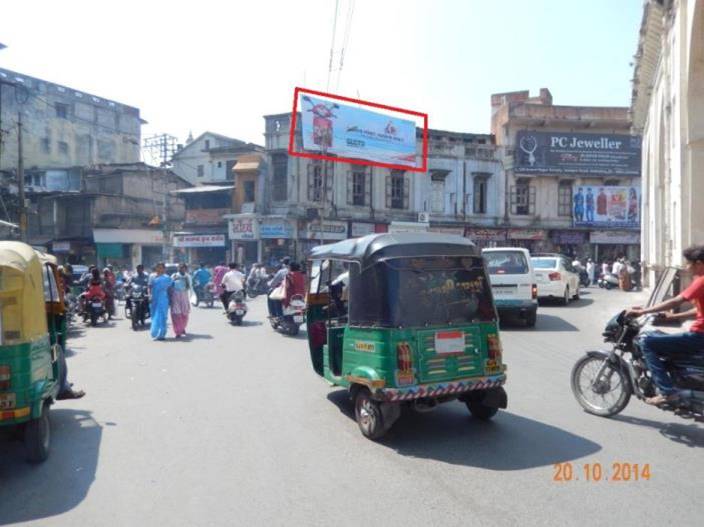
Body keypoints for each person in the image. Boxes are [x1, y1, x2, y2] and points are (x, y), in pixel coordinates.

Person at [627, 245, 704, 405]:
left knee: (647, 343)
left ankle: (667, 392)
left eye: (689, 264)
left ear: (699, 263)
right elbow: (699, 310)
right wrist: (674, 316)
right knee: (660, 339)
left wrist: (644, 311)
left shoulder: (701, 281)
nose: (686, 267)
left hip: (699, 336)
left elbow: (677, 300)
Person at [149, 262, 173, 341]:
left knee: (163, 316)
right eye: (158, 267)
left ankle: (162, 334)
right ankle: (154, 332)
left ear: (164, 269)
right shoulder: (152, 276)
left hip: (163, 299)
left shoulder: (167, 278)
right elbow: (150, 287)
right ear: (156, 268)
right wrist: (150, 295)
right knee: (154, 315)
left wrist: (170, 300)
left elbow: (170, 289)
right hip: (154, 298)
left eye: (161, 267)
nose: (160, 269)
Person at [170, 264, 191, 338]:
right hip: (175, 295)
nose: (182, 269)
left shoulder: (187, 276)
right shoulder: (174, 275)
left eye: (184, 268)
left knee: (184, 313)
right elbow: (170, 285)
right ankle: (177, 331)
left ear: (186, 269)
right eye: (180, 268)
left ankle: (182, 328)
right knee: (176, 313)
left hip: (184, 295)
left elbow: (190, 287)